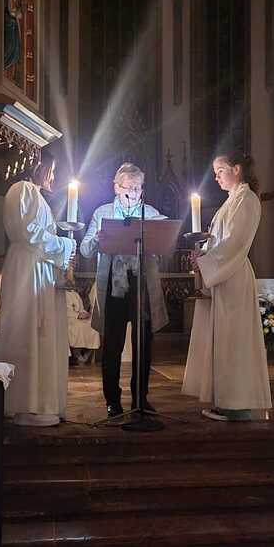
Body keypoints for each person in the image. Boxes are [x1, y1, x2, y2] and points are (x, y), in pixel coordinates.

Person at [182, 152, 272, 421]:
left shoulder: (247, 199)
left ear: (237, 169)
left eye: (220, 170)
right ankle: (224, 401)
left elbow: (236, 242)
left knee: (234, 342)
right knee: (223, 342)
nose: (216, 176)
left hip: (233, 277)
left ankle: (238, 405)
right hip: (223, 277)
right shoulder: (232, 200)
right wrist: (202, 255)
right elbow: (219, 241)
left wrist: (207, 260)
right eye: (215, 172)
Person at [80, 163, 167, 418]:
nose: (134, 193)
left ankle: (140, 398)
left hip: (142, 283)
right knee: (113, 344)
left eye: (138, 188)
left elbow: (165, 242)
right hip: (113, 284)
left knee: (143, 343)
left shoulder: (150, 213)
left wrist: (160, 238)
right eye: (129, 187)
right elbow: (85, 249)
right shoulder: (102, 212)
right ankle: (112, 400)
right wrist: (97, 239)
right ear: (116, 188)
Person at [0, 155, 76, 426]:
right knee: (30, 332)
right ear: (38, 167)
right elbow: (28, 232)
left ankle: (42, 402)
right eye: (51, 170)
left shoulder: (36, 195)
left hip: (39, 266)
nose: (53, 177)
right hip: (29, 269)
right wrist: (65, 246)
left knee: (41, 336)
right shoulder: (22, 189)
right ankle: (27, 404)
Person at [66, 288, 100, 364]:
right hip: (69, 318)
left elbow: (81, 308)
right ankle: (77, 353)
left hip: (80, 318)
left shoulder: (75, 293)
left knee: (92, 326)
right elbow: (64, 311)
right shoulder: (61, 294)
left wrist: (85, 314)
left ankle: (87, 355)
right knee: (78, 327)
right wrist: (77, 315)